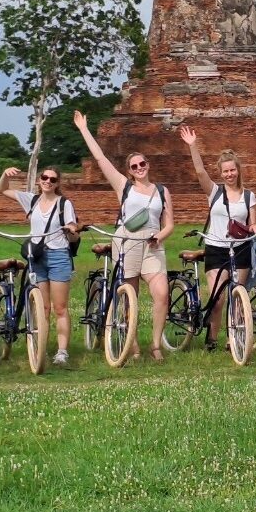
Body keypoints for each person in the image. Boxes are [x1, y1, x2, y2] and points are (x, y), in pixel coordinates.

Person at [75, 111, 174, 361]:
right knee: (130, 295)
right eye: (134, 166)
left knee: (162, 293)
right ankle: (132, 344)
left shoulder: (162, 191)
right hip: (127, 241)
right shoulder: (124, 186)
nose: (139, 168)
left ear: (148, 165)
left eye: (142, 164)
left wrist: (159, 237)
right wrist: (84, 129)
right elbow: (100, 159)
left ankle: (154, 345)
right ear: (129, 171)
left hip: (152, 243)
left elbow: (170, 223)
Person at [179, 125, 256, 351]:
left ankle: (234, 337)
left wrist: (255, 227)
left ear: (238, 171)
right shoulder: (214, 192)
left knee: (238, 295)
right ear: (221, 173)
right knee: (219, 297)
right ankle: (211, 339)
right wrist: (193, 146)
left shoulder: (249, 196)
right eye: (225, 171)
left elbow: (251, 222)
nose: (229, 174)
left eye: (232, 170)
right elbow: (200, 172)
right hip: (216, 248)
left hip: (241, 248)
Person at [0, 164, 81, 365]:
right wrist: (4, 174)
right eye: (45, 177)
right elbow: (2, 190)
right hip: (37, 257)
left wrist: (71, 229)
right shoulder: (31, 200)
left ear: (57, 183)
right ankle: (39, 345)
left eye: (52, 179)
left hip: (58, 255)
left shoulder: (64, 204)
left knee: (60, 307)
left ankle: (62, 351)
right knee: (42, 307)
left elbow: (74, 229)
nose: (48, 182)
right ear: (39, 179)